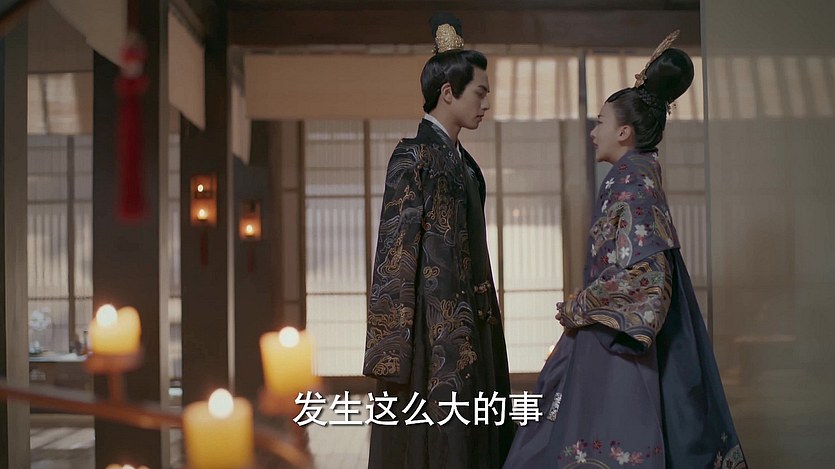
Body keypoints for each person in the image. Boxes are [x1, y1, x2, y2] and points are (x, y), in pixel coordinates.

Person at [503, 32, 748, 469]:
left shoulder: (631, 182)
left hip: (621, 339)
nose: (593, 131)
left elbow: (647, 274)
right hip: (615, 328)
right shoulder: (634, 175)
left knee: (595, 434)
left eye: (600, 122)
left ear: (624, 131)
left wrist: (584, 305)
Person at [363, 12, 515, 469]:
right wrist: (391, 354)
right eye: (480, 93)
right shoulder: (412, 158)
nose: (485, 103)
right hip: (430, 334)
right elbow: (394, 258)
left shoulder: (466, 165)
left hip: (475, 323)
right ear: (448, 93)